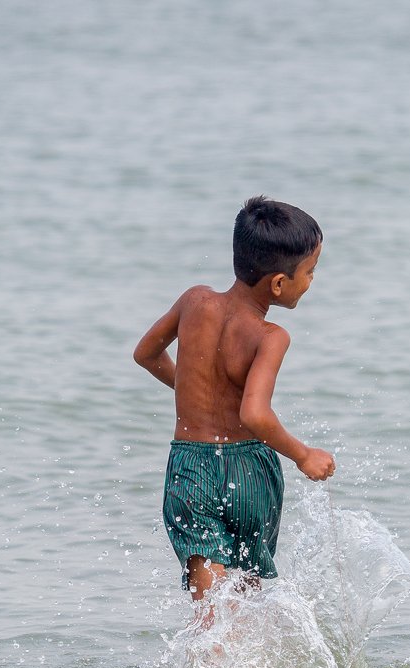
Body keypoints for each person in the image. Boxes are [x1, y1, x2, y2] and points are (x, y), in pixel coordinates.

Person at [133, 195, 335, 608]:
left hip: (190, 469)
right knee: (244, 601)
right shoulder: (269, 335)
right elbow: (254, 415)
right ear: (279, 283)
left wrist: (192, 391)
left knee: (210, 609)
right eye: (311, 272)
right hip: (248, 472)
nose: (313, 280)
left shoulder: (194, 301)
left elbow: (146, 354)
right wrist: (303, 455)